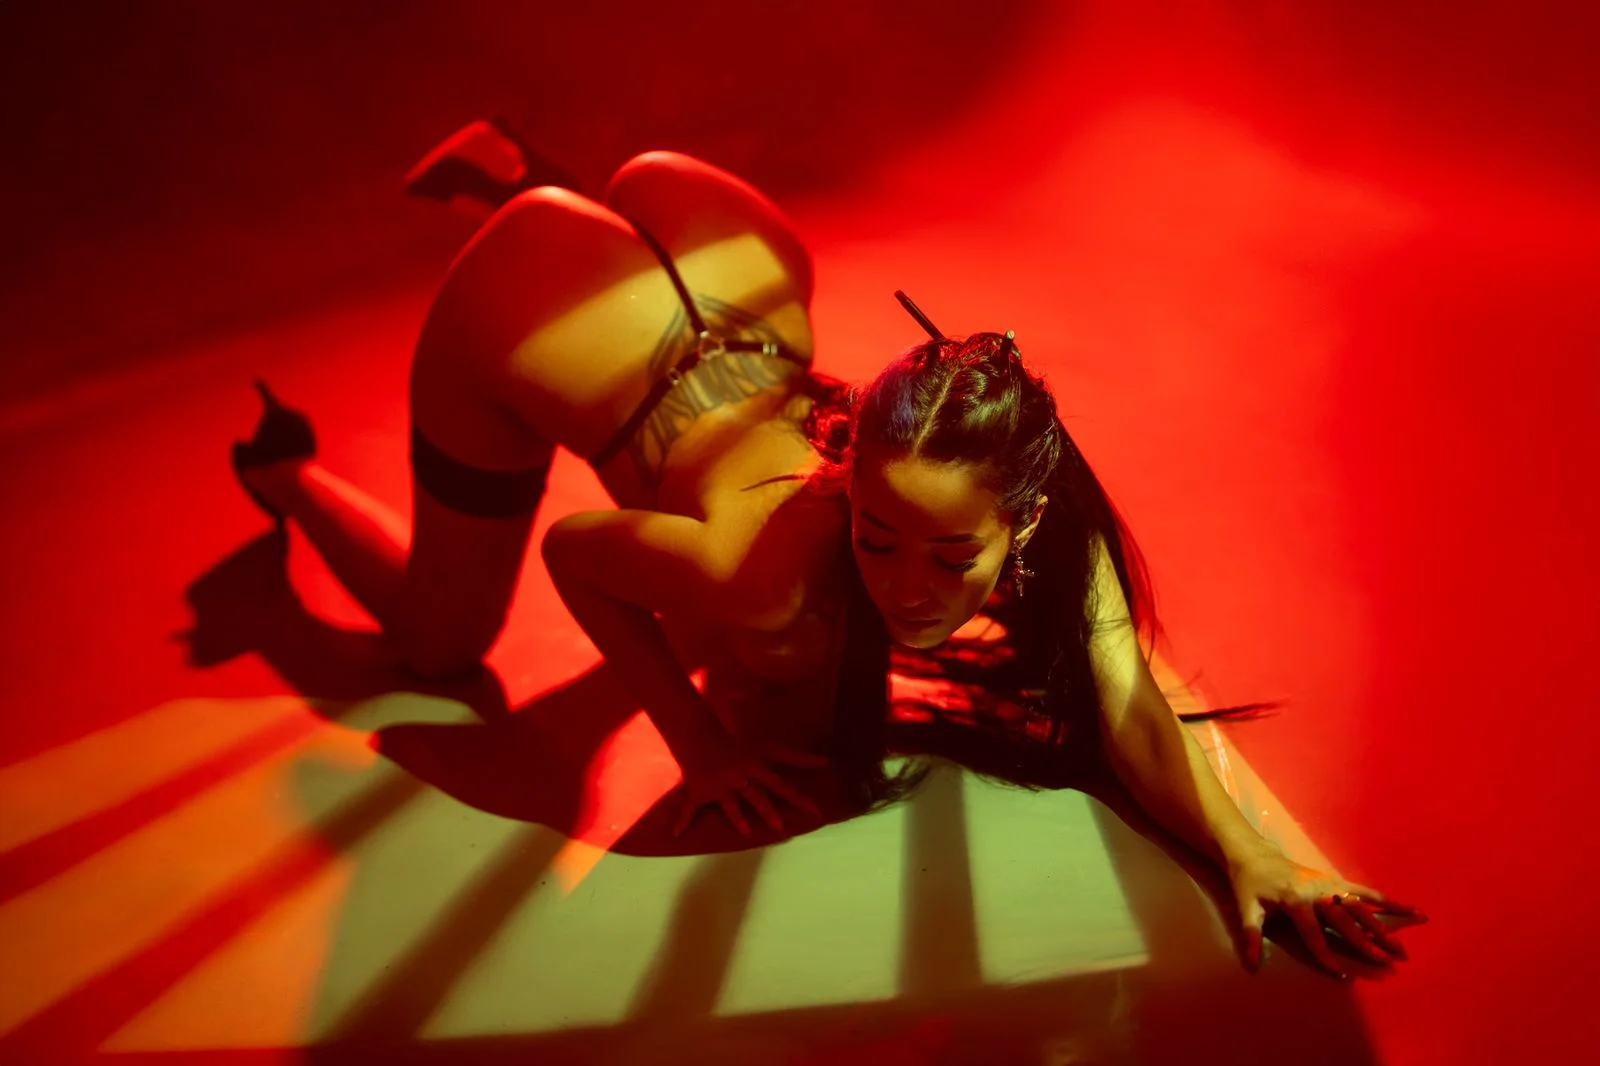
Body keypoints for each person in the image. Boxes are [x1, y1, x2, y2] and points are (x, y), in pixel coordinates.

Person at [232, 132, 1423, 978]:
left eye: (949, 554)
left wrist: (1254, 854)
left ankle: (541, 183)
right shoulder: (756, 573)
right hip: (539, 298)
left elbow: (1127, 701)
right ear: (848, 476)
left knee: (756, 640)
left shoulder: (1044, 498)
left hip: (725, 256)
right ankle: (292, 467)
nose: (907, 588)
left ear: (1020, 518)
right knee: (439, 645)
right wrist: (698, 747)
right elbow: (572, 550)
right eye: (875, 537)